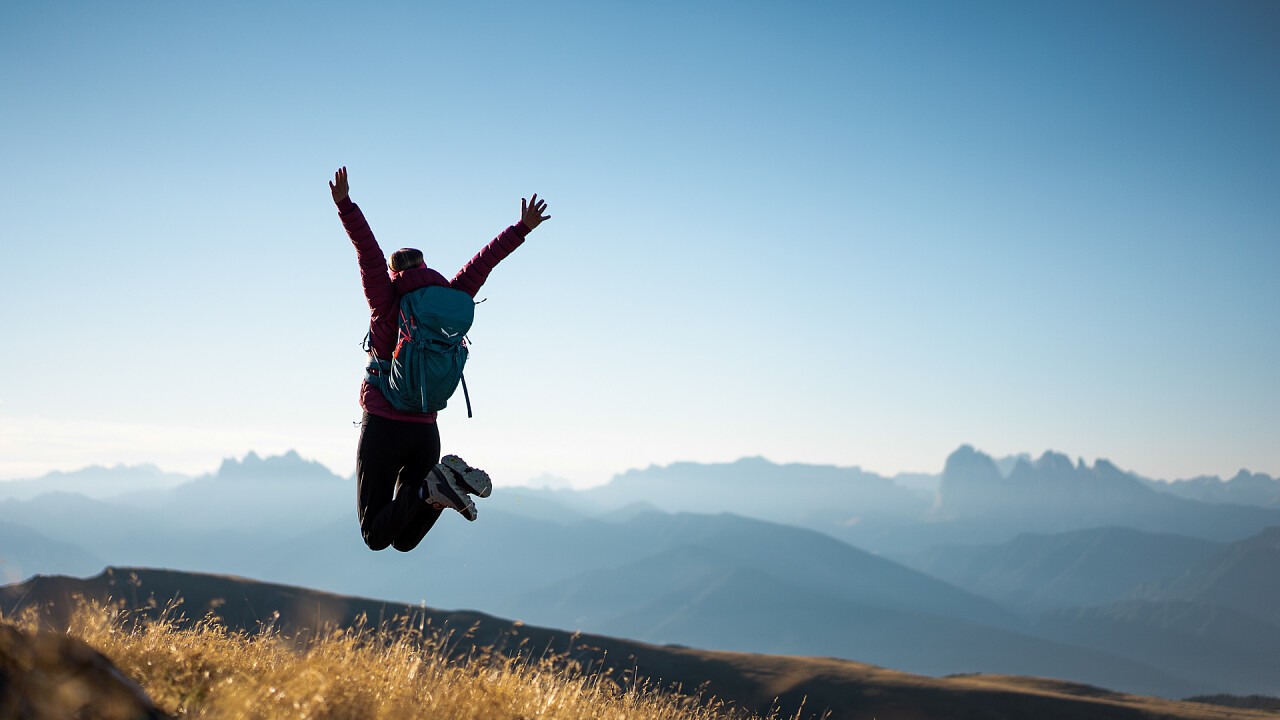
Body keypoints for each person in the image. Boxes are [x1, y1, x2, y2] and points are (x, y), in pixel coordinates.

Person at [329, 166, 550, 552]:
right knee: (406, 540)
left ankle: (437, 483)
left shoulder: (385, 299)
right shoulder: (450, 295)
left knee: (376, 535)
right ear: (424, 266)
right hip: (425, 429)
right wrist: (522, 227)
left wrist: (345, 204)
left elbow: (367, 251)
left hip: (383, 423)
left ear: (395, 272)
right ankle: (441, 481)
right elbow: (484, 263)